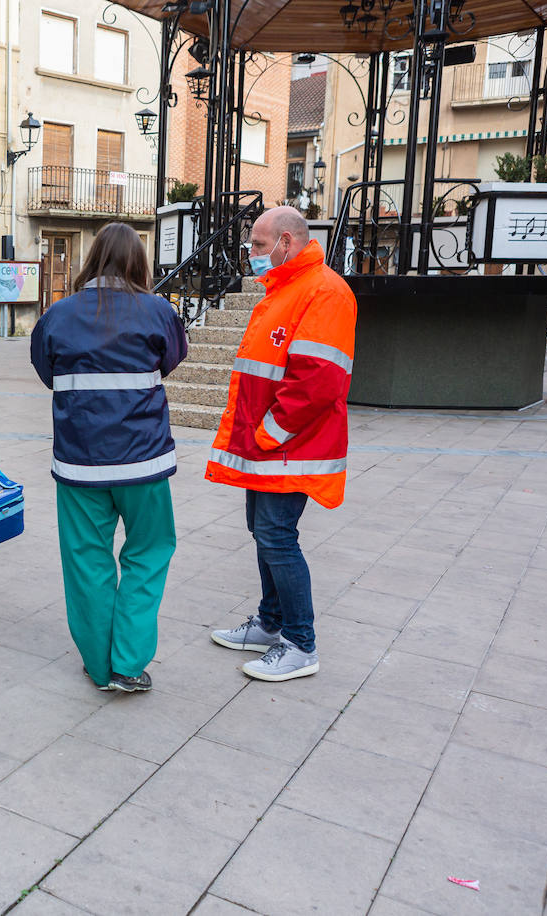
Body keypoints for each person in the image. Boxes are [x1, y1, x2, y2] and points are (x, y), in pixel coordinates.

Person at [30, 223, 187, 692]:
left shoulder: (58, 316)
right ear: (138, 263)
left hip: (80, 463)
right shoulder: (159, 311)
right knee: (149, 553)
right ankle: (129, 663)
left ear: (92, 258)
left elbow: (46, 370)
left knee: (87, 562)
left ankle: (99, 666)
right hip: (144, 464)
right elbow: (172, 360)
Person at [208, 205, 357, 682]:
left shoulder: (324, 291)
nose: (251, 254)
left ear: (286, 243)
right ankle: (271, 624)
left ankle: (300, 643)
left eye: (257, 244)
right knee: (264, 532)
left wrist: (270, 431)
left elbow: (317, 381)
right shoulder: (287, 288)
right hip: (271, 445)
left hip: (291, 446)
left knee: (277, 537)